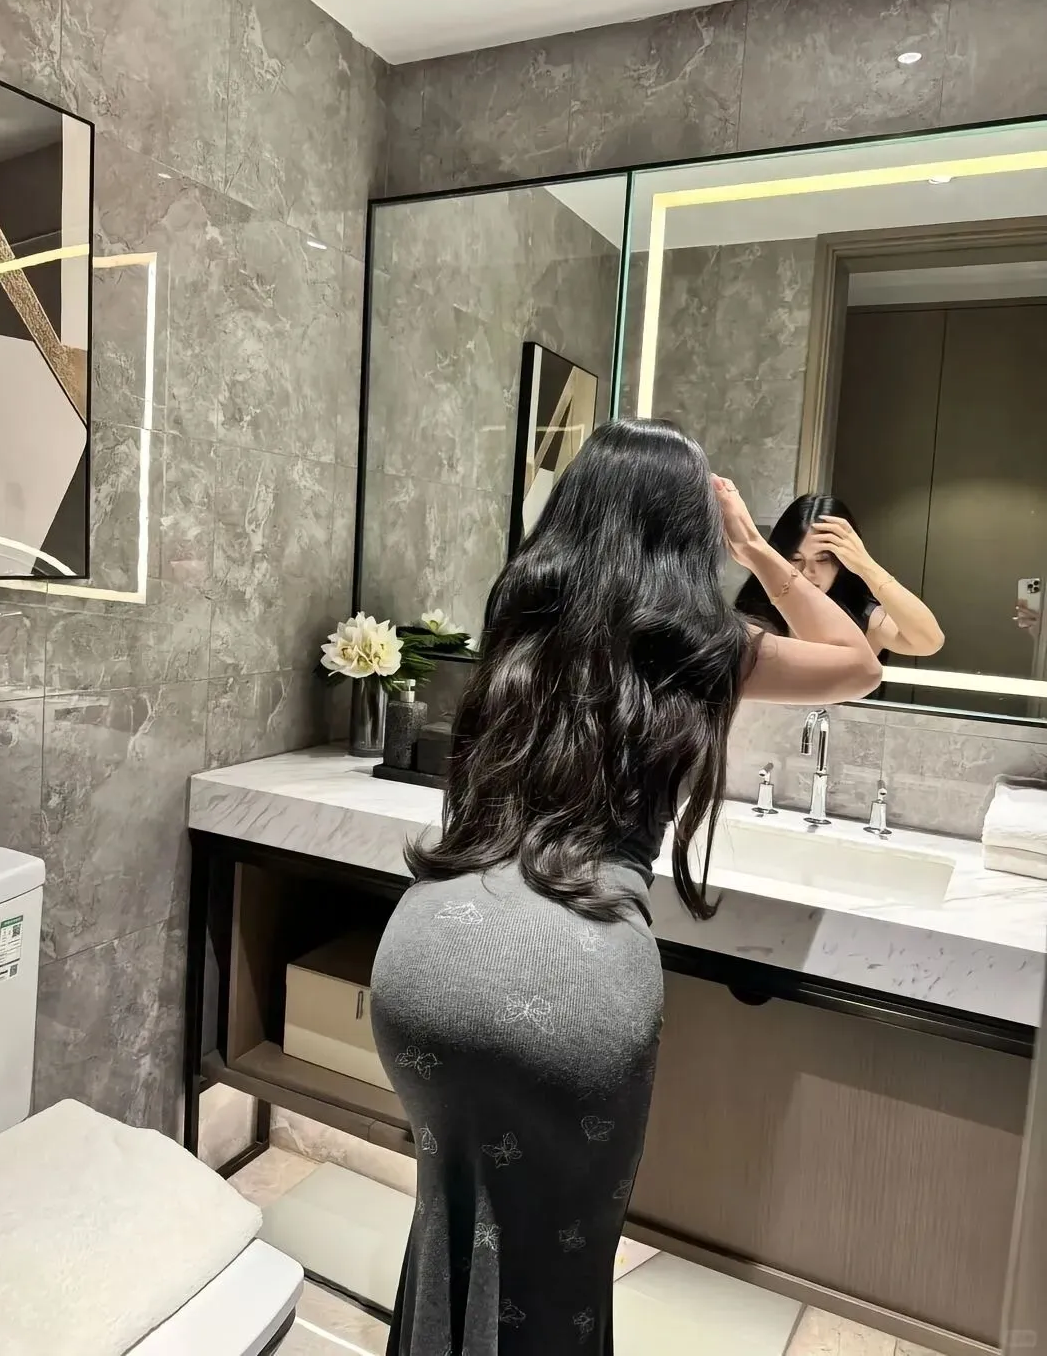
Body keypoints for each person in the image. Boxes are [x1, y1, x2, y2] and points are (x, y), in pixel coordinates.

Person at [370, 421, 882, 1356]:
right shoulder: (707, 647)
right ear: (690, 532)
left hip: (425, 953)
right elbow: (858, 661)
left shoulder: (523, 609)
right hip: (576, 978)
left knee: (448, 1221)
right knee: (560, 1268)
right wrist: (756, 548)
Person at [734, 494, 944, 659]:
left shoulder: (863, 616)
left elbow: (929, 641)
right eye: (796, 559)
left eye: (823, 559)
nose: (807, 572)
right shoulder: (757, 611)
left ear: (841, 563)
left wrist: (865, 564)